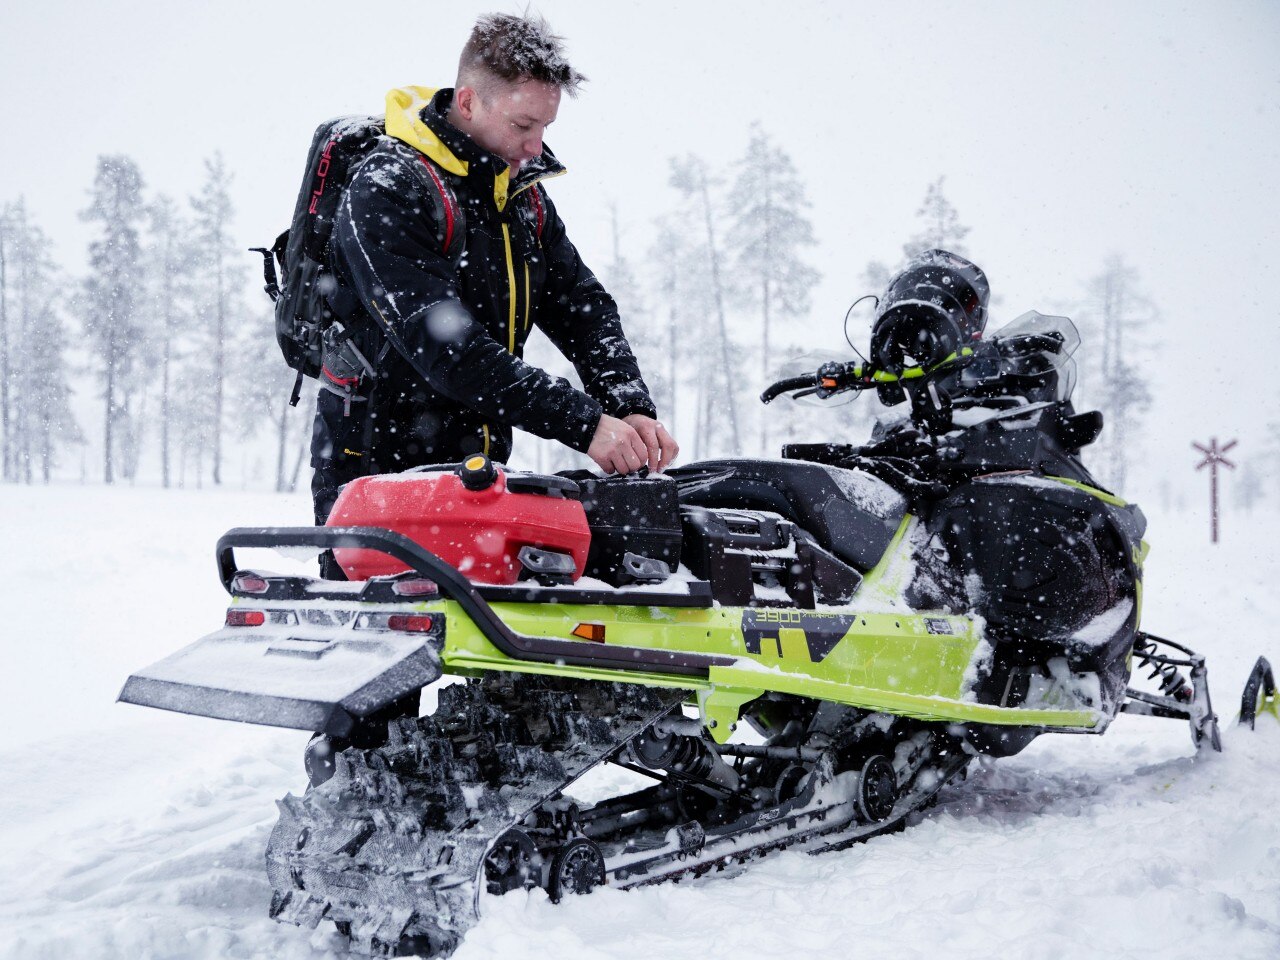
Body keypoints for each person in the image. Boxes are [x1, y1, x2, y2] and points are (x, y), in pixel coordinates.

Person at [312, 12, 678, 533]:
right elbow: (447, 347)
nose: (536, 147)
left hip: (480, 478)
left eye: (545, 127)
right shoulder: (389, 186)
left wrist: (627, 404)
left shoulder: (521, 198)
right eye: (522, 126)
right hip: (377, 477)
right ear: (468, 102)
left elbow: (583, 307)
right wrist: (585, 424)